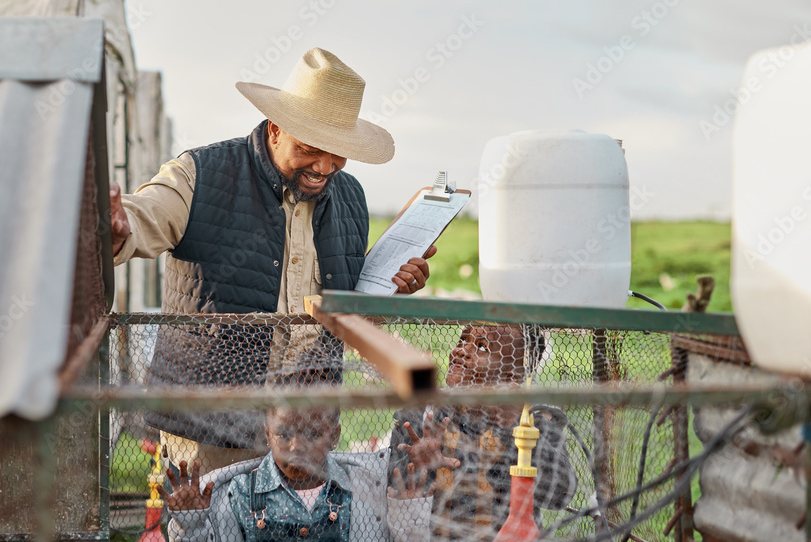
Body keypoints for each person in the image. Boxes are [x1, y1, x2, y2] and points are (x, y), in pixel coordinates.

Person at [110, 47, 436, 475]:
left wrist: (390, 286)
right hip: (211, 425)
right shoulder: (200, 173)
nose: (325, 165)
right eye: (311, 148)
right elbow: (144, 214)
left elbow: (349, 303)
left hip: (306, 425)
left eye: (338, 152)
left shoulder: (351, 196)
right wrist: (116, 225)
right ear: (276, 128)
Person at [388, 323, 577, 540]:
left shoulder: (533, 422)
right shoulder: (424, 416)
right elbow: (393, 488)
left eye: (482, 347)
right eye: (463, 340)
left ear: (510, 376)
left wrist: (511, 427)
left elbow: (561, 495)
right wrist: (420, 467)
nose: (461, 351)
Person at [163, 400, 435, 541]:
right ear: (267, 435)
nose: (297, 446)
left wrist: (409, 513)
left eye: (314, 433)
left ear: (335, 435)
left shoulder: (363, 489)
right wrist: (191, 524)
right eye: (284, 434)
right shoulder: (240, 494)